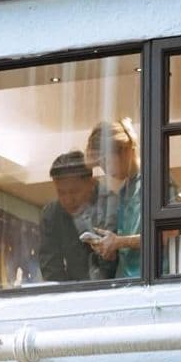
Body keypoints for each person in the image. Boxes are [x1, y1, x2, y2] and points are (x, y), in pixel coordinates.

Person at [38, 150, 116, 284]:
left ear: (91, 183)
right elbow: (51, 269)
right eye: (61, 192)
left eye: (74, 191)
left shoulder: (111, 205)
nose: (68, 200)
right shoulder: (51, 214)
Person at [84, 118, 142, 278]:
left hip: (149, 280)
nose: (104, 168)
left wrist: (119, 242)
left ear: (124, 149)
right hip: (127, 281)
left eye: (105, 160)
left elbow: (166, 235)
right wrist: (110, 249)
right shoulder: (125, 191)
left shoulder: (152, 183)